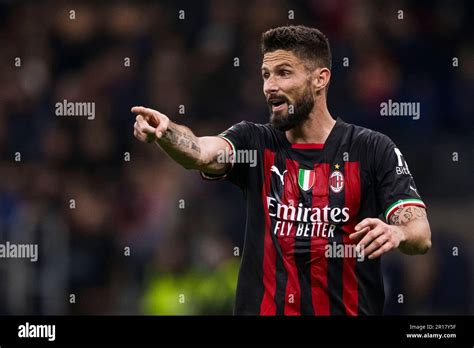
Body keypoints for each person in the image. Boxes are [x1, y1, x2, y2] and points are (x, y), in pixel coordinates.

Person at [131, 25, 431, 316]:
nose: (269, 86)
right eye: (265, 75)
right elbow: (200, 152)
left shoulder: (372, 149)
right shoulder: (254, 141)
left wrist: (397, 231)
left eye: (283, 73)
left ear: (320, 79)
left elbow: (421, 235)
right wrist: (167, 132)